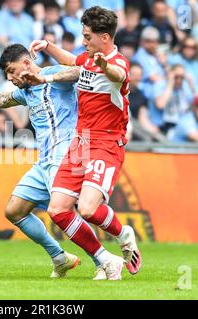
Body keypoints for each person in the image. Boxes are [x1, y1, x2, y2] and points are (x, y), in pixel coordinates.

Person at [0, 43, 102, 278]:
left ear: (26, 63)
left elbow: (79, 72)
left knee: (62, 211)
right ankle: (59, 257)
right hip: (44, 160)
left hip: (66, 154)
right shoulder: (26, 92)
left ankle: (102, 260)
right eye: (7, 74)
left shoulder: (52, 74)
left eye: (12, 71)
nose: (10, 78)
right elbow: (2, 100)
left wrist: (45, 80)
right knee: (15, 210)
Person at [27, 6, 142, 280]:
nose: (83, 41)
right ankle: (106, 260)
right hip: (80, 143)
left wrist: (105, 66)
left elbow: (118, 75)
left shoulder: (118, 62)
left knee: (88, 209)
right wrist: (48, 46)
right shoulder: (88, 59)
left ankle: (123, 233)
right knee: (57, 210)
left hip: (105, 143)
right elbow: (72, 60)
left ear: (105, 37)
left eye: (87, 37)